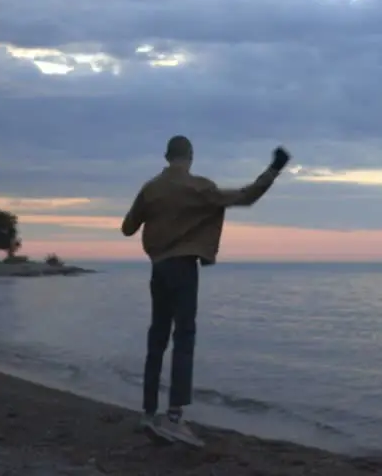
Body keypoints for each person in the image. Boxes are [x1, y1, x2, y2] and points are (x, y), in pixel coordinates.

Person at [120, 135, 290, 446]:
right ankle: (173, 418)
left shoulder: (150, 188)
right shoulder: (200, 188)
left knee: (157, 338)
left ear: (166, 156)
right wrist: (273, 170)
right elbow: (246, 196)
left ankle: (147, 413)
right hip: (184, 268)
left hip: (158, 269)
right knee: (184, 338)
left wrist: (153, 215)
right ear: (191, 157)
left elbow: (127, 228)